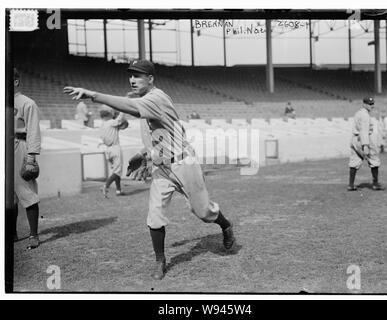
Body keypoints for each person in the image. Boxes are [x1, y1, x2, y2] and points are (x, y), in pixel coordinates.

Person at [64, 59, 235, 280]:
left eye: (138, 76)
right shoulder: (147, 101)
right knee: (155, 215)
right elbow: (159, 136)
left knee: (203, 212)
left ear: (151, 79)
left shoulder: (157, 98)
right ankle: (160, 260)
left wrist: (92, 95)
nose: (132, 80)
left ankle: (226, 225)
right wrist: (143, 154)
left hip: (184, 164)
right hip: (162, 168)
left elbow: (133, 108)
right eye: (131, 75)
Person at [13, 68, 42, 249]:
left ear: (15, 81)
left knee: (26, 191)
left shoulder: (27, 103)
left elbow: (33, 131)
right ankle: (12, 233)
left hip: (20, 146)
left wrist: (31, 157)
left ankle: (33, 235)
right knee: (7, 195)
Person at [347, 97, 383, 191]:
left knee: (354, 161)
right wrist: (365, 145)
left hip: (355, 139)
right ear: (364, 104)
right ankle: (375, 184)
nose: (372, 106)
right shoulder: (365, 115)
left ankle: (350, 185)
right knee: (374, 160)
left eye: (372, 103)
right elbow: (364, 131)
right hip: (364, 139)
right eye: (369, 104)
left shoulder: (358, 113)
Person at [98, 104, 128, 197]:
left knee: (115, 170)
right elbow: (120, 119)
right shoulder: (111, 122)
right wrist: (123, 108)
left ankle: (118, 190)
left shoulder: (102, 125)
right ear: (109, 115)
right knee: (117, 171)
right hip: (115, 148)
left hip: (108, 150)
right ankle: (106, 186)